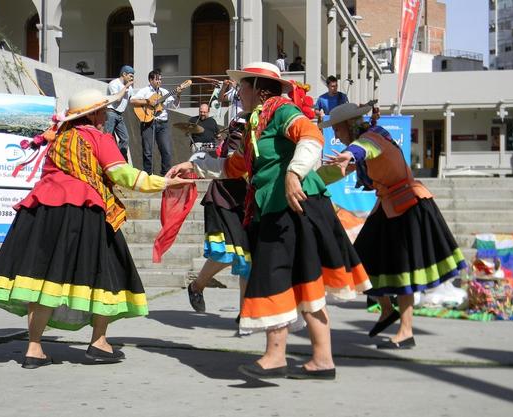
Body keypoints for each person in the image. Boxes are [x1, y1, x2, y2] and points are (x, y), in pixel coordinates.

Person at [168, 62, 371, 380]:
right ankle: (322, 360)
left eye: (243, 87)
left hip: (294, 206)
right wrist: (192, 167)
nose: (239, 93)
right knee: (303, 281)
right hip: (283, 209)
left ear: (259, 90)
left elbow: (311, 136)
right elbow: (233, 166)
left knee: (273, 277)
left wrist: (294, 172)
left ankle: (276, 356)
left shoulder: (280, 110)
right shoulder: (256, 125)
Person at [0, 88, 193, 369]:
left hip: (42, 212)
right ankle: (99, 343)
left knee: (43, 277)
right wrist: (163, 183)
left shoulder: (58, 138)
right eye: (102, 110)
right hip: (84, 211)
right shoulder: (98, 137)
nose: (105, 115)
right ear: (92, 113)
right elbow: (122, 174)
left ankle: (34, 348)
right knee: (104, 272)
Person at [321, 103, 467, 349]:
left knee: (403, 269)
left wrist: (349, 154)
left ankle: (406, 331)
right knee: (362, 259)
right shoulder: (367, 141)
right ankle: (387, 310)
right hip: (388, 206)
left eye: (337, 129)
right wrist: (304, 180)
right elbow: (341, 169)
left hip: (408, 206)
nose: (335, 135)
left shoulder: (373, 137)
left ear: (349, 125)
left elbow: (362, 149)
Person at [186, 118, 250, 317]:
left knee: (245, 258)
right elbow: (236, 167)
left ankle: (245, 314)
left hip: (244, 202)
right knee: (233, 255)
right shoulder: (239, 135)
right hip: (224, 201)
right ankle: (196, 286)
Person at [131, 69, 181, 175]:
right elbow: (133, 100)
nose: (160, 81)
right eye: (157, 79)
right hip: (148, 122)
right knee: (148, 151)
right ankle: (148, 174)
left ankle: (165, 174)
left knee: (166, 150)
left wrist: (178, 95)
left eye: (160, 79)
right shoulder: (145, 91)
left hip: (163, 124)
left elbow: (174, 105)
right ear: (151, 80)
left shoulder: (164, 92)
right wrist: (148, 101)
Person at [104, 64, 134, 162]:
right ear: (124, 74)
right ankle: (108, 160)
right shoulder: (114, 83)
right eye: (130, 75)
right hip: (111, 113)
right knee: (108, 138)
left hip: (120, 115)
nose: (132, 78)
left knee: (125, 138)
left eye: (133, 76)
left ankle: (121, 160)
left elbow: (132, 100)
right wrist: (125, 87)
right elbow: (117, 99)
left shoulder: (130, 88)